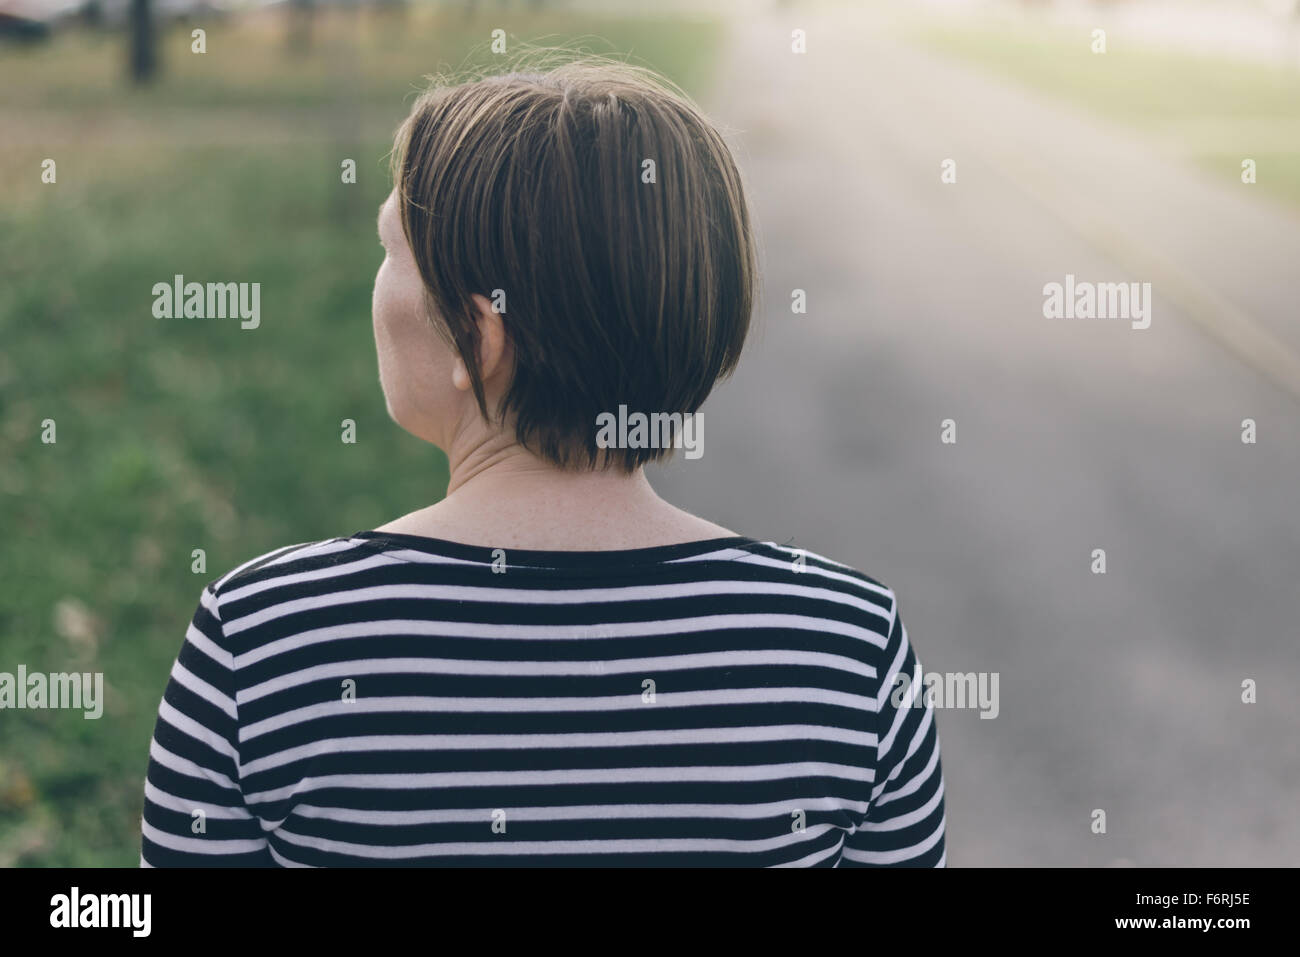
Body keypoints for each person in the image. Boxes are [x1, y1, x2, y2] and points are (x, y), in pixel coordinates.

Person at [140, 57, 945, 867]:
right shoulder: (844, 645)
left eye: (389, 248)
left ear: (476, 335)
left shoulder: (264, 642)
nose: (374, 286)